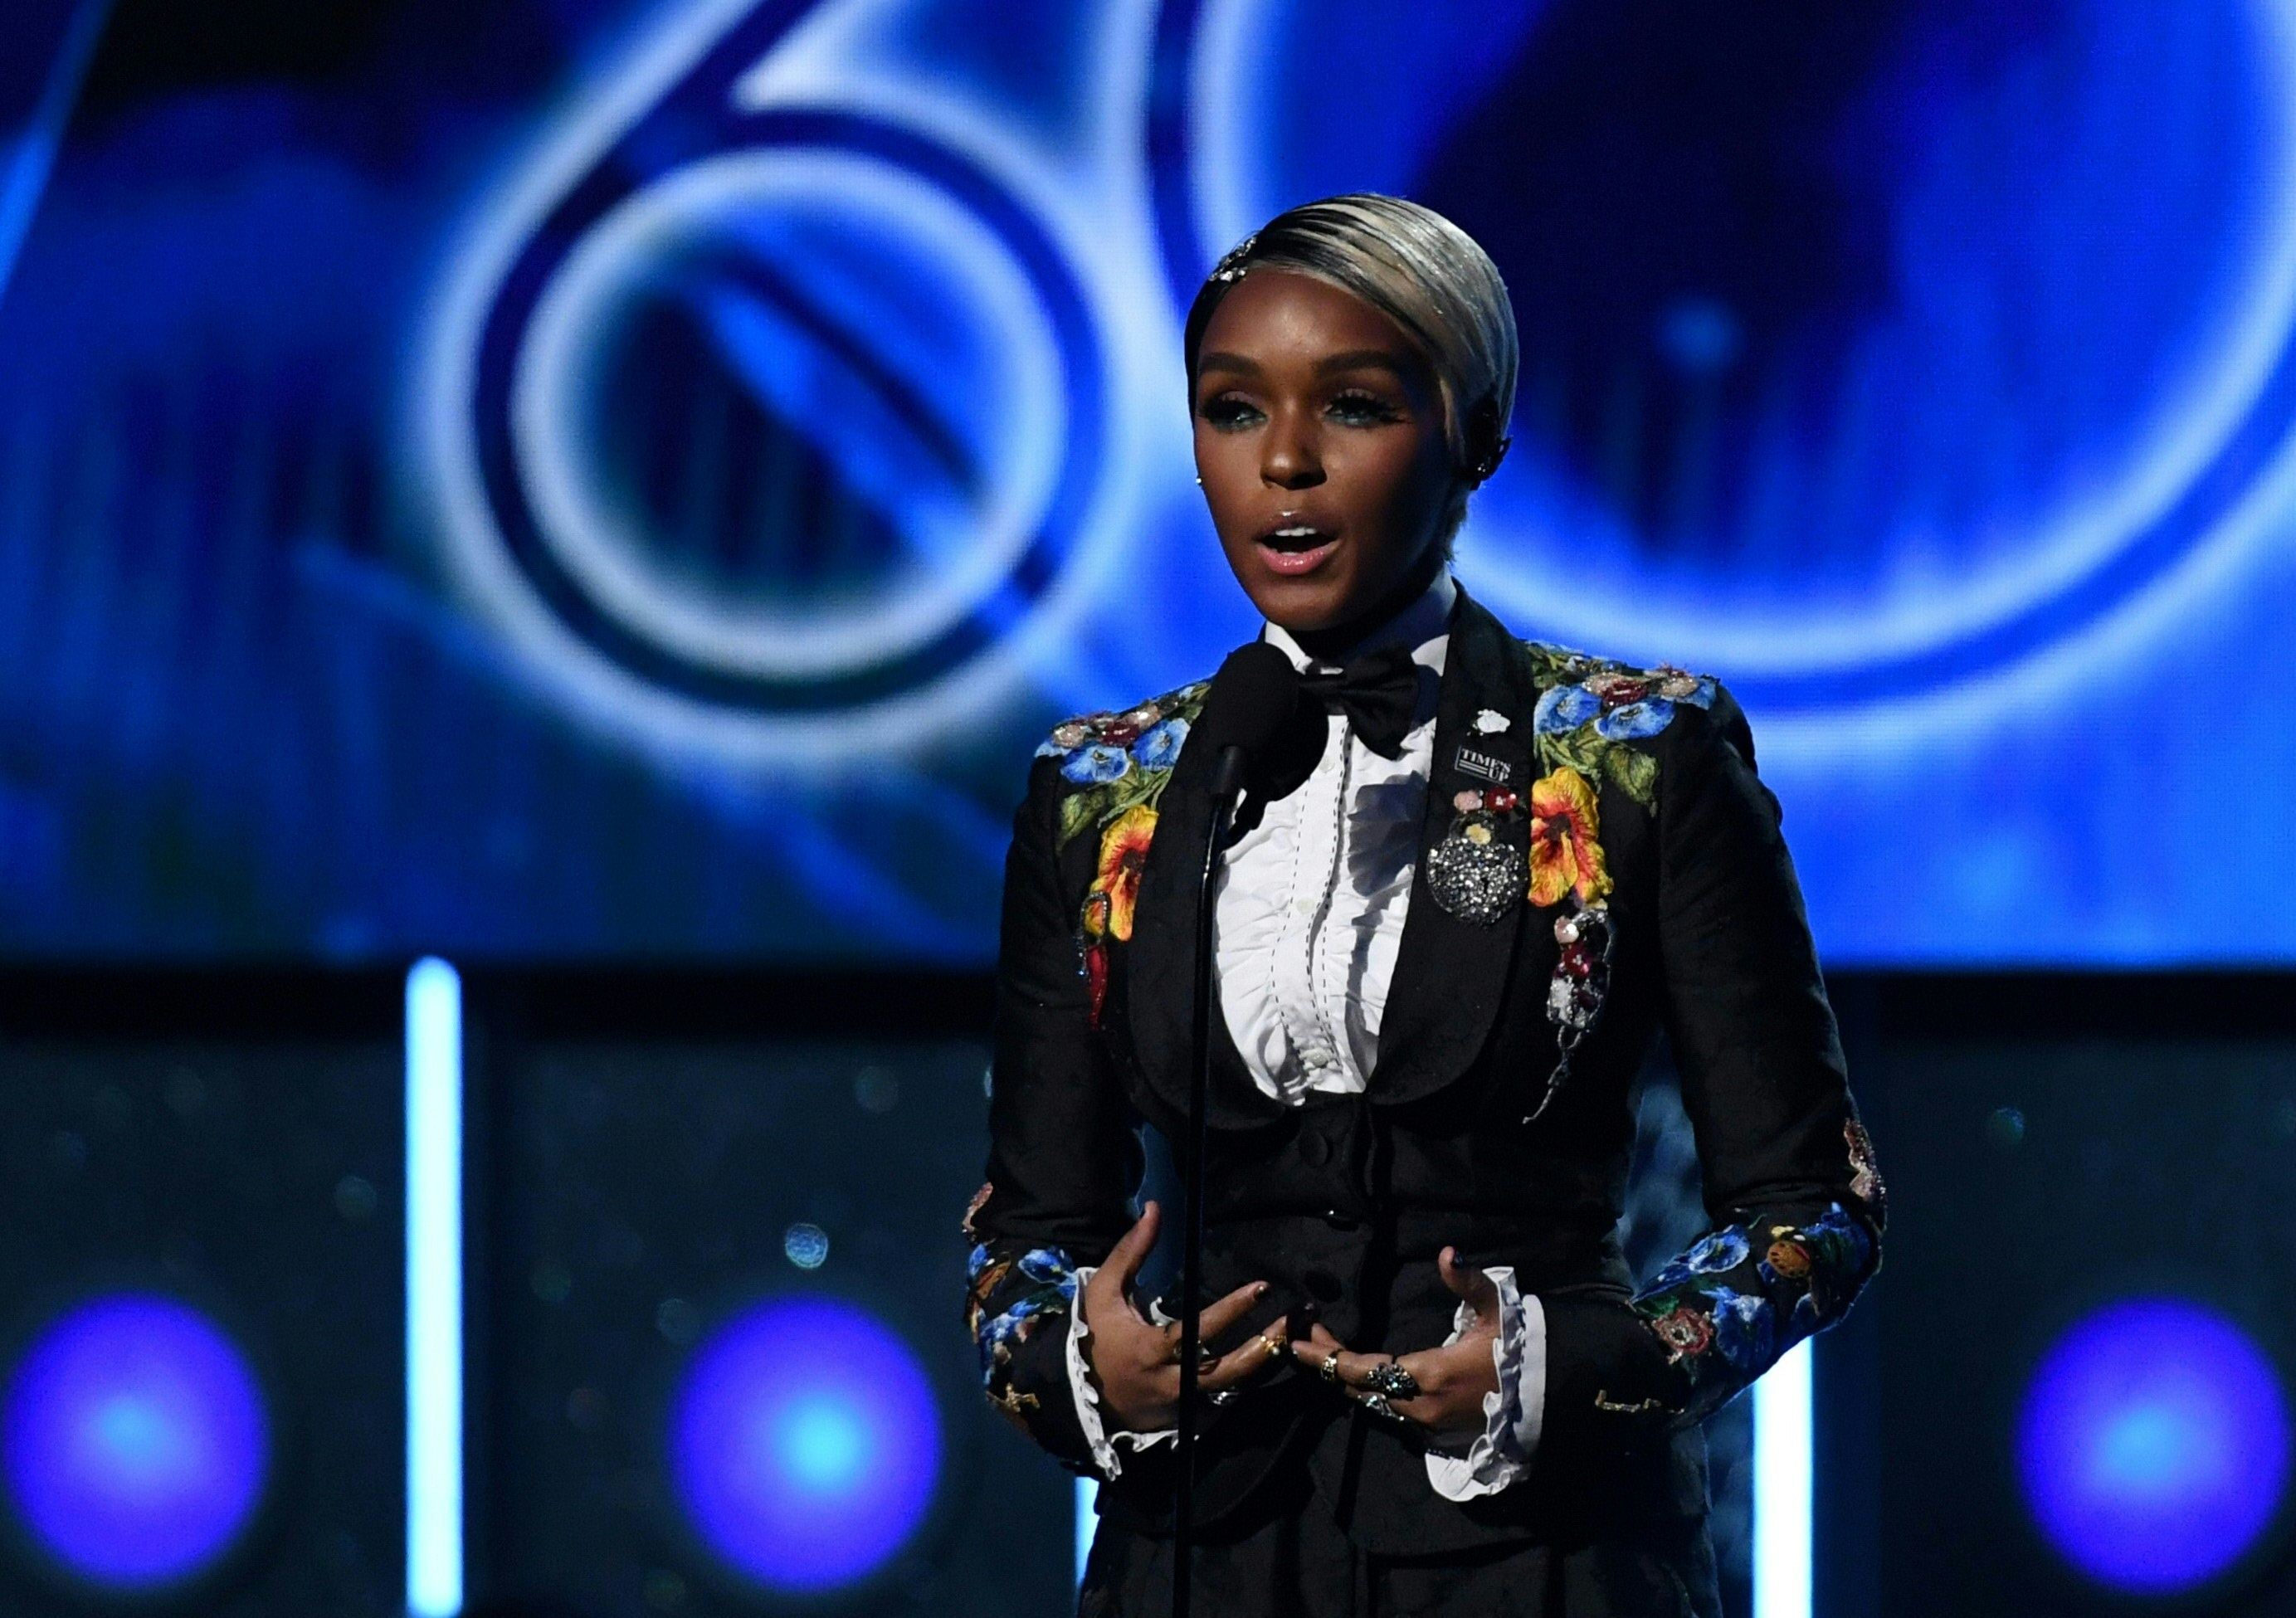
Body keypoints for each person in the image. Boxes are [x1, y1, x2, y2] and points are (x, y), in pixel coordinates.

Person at [963, 193, 1885, 1617]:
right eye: (1229, 409)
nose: (1283, 463)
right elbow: (1028, 1224)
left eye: (1354, 407)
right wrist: (1084, 1367)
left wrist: (1569, 1370)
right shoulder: (1103, 787)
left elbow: (1812, 1203)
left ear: (1475, 435)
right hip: (1199, 1556)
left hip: (1549, 1550)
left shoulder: (1638, 752)